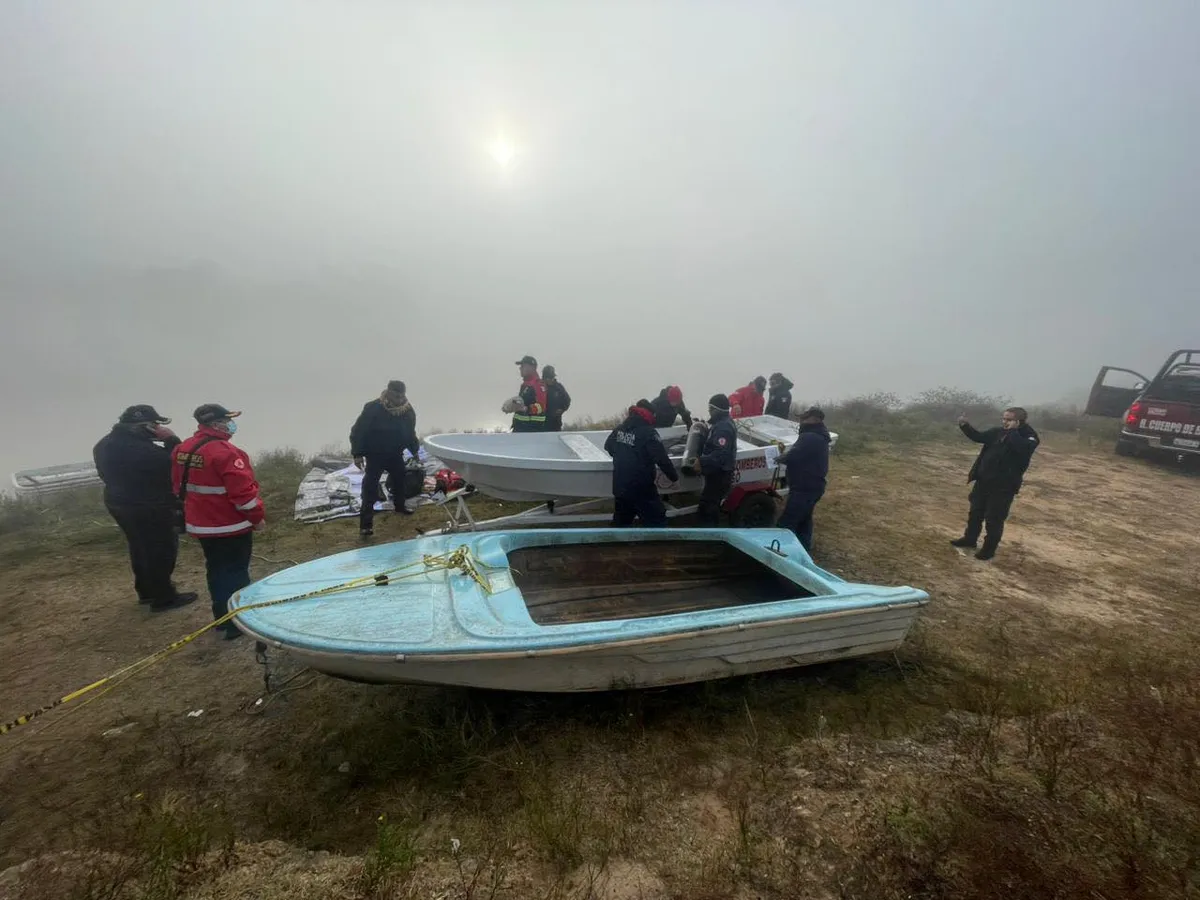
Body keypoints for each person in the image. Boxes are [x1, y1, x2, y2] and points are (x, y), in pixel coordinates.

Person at [172, 404, 266, 640]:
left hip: (201, 524)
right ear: (216, 424)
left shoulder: (183, 449)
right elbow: (244, 496)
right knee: (235, 573)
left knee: (215, 570)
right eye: (227, 420)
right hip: (229, 525)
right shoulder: (227, 453)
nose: (231, 425)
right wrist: (257, 519)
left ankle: (222, 618)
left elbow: (177, 485)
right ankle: (238, 624)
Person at [92, 405, 197, 611]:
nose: (158, 428)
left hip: (118, 502)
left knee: (140, 546)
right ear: (143, 426)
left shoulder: (103, 444)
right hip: (149, 505)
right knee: (161, 548)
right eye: (155, 425)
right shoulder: (142, 450)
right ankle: (164, 597)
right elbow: (178, 463)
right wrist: (171, 440)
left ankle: (146, 591)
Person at [951, 407, 1041, 560]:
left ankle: (988, 550)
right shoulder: (997, 432)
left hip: (1004, 486)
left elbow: (1022, 449)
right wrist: (964, 425)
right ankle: (970, 539)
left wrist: (1013, 431)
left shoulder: (1029, 437)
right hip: (983, 481)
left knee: (994, 519)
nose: (1005, 422)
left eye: (1009, 420)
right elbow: (978, 437)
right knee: (975, 513)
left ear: (1019, 421)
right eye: (1004, 419)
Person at [349, 379, 421, 537]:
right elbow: (358, 431)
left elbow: (410, 433)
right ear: (388, 392)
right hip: (375, 454)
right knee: (370, 486)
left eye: (401, 396)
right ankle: (366, 525)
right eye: (396, 395)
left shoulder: (407, 411)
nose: (399, 399)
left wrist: (415, 451)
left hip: (395, 453)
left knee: (400, 479)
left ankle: (400, 507)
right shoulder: (373, 408)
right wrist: (357, 454)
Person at [604, 400, 679, 527]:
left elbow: (608, 446)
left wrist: (622, 455)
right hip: (642, 488)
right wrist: (674, 478)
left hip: (620, 486)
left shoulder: (620, 429)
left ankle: (615, 538)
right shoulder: (649, 433)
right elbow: (661, 458)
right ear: (650, 415)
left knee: (621, 523)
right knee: (657, 522)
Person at [776, 407, 831, 551]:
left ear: (814, 419)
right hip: (814, 486)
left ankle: (781, 552)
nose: (801, 421)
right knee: (804, 520)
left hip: (804, 488)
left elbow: (794, 455)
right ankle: (803, 549)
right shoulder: (819, 435)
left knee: (786, 523)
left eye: (804, 418)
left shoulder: (810, 437)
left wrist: (778, 458)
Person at [689, 394, 738, 526]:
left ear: (717, 409)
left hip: (720, 475)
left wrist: (701, 462)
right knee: (709, 505)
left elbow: (720, 454)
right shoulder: (721, 423)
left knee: (708, 507)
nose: (709, 411)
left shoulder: (723, 428)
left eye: (711, 409)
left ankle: (710, 533)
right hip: (717, 473)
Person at [510, 355, 547, 432]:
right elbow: (525, 402)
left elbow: (541, 406)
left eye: (523, 366)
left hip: (531, 429)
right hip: (520, 428)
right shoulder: (525, 384)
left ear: (532, 368)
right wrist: (514, 403)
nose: (520, 368)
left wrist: (526, 409)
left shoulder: (538, 384)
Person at [542, 365, 572, 432]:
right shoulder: (539, 387)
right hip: (542, 425)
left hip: (555, 424)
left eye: (551, 377)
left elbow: (567, 400)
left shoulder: (558, 387)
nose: (550, 380)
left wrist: (562, 409)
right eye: (547, 377)